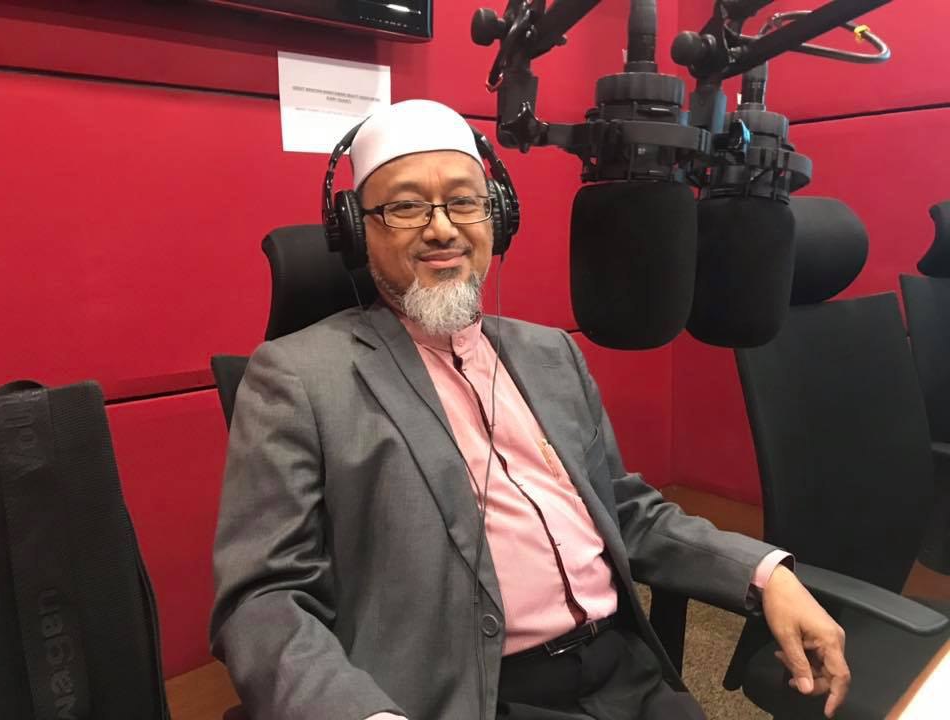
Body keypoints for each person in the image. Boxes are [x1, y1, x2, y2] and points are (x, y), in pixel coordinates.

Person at [210, 100, 850, 720]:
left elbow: (623, 508)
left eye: (464, 201)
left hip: (623, 670)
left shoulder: (550, 353)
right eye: (405, 207)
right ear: (356, 229)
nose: (442, 228)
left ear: (497, 217)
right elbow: (263, 600)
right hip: (473, 693)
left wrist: (766, 575)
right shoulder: (297, 376)